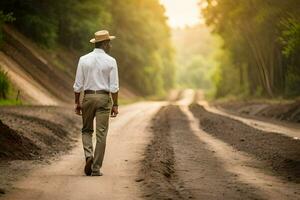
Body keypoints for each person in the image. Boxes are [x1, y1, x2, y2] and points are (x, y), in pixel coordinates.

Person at [73, 30, 119, 176]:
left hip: (87, 98)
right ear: (104, 44)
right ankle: (96, 168)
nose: (110, 45)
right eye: (109, 43)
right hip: (104, 99)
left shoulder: (83, 59)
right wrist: (115, 105)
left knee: (86, 130)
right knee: (101, 134)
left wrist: (77, 102)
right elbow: (114, 87)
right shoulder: (111, 61)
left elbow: (78, 84)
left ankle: (88, 156)